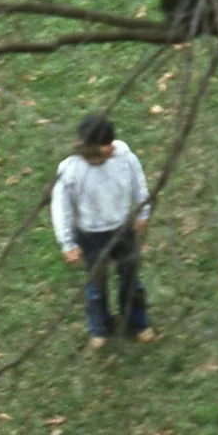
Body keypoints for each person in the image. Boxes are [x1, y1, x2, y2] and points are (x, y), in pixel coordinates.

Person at [51, 112, 156, 349]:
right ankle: (100, 327)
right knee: (96, 285)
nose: (112, 147)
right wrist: (67, 243)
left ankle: (137, 322)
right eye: (106, 144)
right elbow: (61, 208)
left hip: (123, 230)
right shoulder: (70, 171)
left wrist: (143, 213)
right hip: (91, 236)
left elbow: (139, 183)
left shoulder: (123, 156)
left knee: (131, 279)